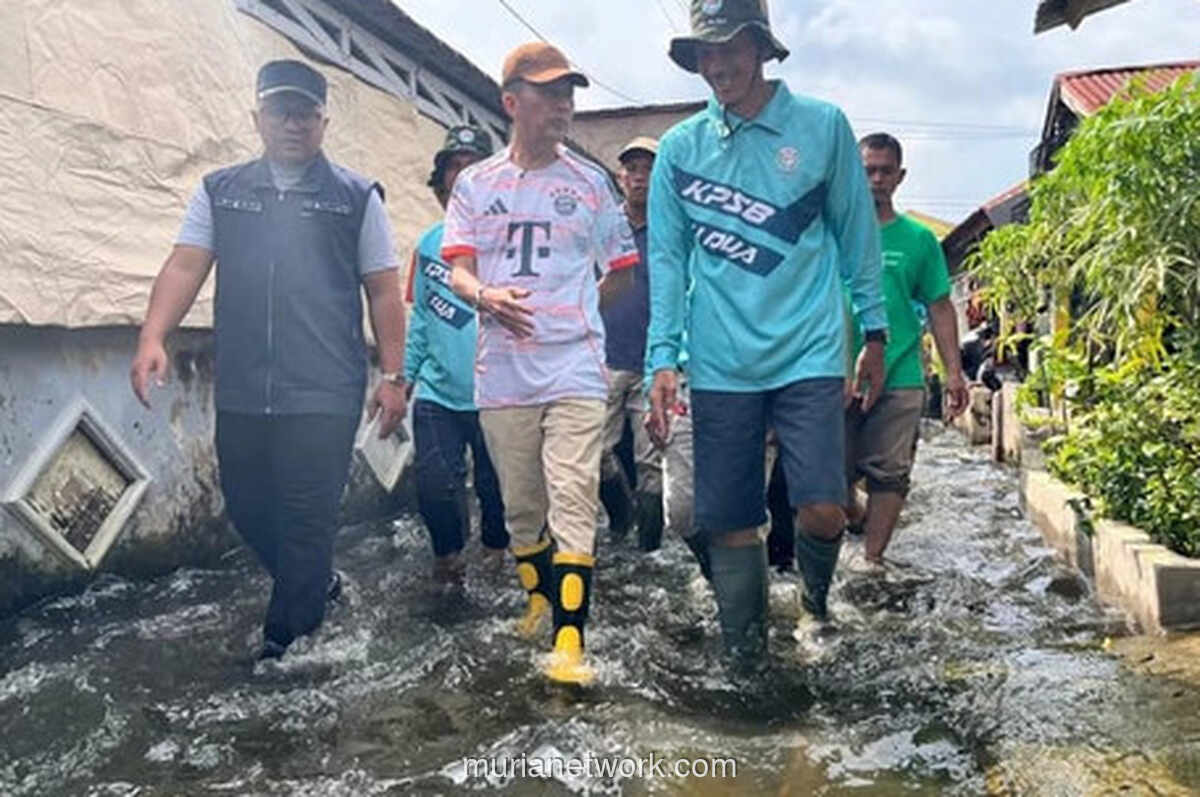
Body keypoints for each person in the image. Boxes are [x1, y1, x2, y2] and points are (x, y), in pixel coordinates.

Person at [129, 60, 407, 661]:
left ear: (323, 121)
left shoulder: (356, 198)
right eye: (281, 110)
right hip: (244, 387)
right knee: (250, 508)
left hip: (324, 392)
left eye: (306, 112)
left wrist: (392, 376)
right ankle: (316, 585)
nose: (293, 123)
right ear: (257, 117)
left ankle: (281, 656)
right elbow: (185, 265)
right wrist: (153, 335)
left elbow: (384, 288)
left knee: (307, 523)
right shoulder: (221, 191)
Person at [647, 0, 888, 667]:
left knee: (821, 507)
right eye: (704, 53)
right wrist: (661, 358)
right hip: (720, 359)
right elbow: (667, 261)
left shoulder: (822, 128)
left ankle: (813, 604)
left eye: (727, 48)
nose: (715, 65)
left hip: (808, 351)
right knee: (725, 521)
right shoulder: (679, 151)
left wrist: (874, 332)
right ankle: (745, 655)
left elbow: (855, 234)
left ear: (760, 46)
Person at [441, 42, 638, 684]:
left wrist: (574, 310)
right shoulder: (474, 184)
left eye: (569, 93)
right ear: (511, 101)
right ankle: (536, 599)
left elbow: (621, 273)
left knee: (574, 493)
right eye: (549, 92)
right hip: (502, 371)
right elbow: (459, 268)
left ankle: (570, 644)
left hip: (575, 368)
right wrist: (487, 297)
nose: (563, 105)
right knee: (521, 507)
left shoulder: (591, 185)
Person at [846, 133, 969, 571]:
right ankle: (855, 512)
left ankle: (872, 560)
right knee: (822, 476)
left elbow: (939, 305)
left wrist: (954, 372)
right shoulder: (832, 232)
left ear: (900, 177)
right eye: (867, 171)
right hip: (834, 373)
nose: (876, 179)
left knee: (890, 472)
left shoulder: (919, 241)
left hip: (900, 375)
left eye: (885, 171)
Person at [404, 125, 509, 587]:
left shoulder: (513, 241)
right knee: (434, 487)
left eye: (473, 167)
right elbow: (421, 319)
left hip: (499, 393)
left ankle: (496, 561)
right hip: (437, 393)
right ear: (441, 180)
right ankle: (448, 563)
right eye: (453, 167)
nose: (462, 176)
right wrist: (400, 378)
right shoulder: (428, 246)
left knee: (496, 492)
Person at [599, 136, 665, 552]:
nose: (640, 178)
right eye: (632, 170)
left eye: (648, 170)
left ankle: (651, 551)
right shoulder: (602, 227)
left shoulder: (672, 229)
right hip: (603, 357)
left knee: (651, 463)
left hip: (654, 360)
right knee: (593, 453)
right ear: (620, 177)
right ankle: (621, 515)